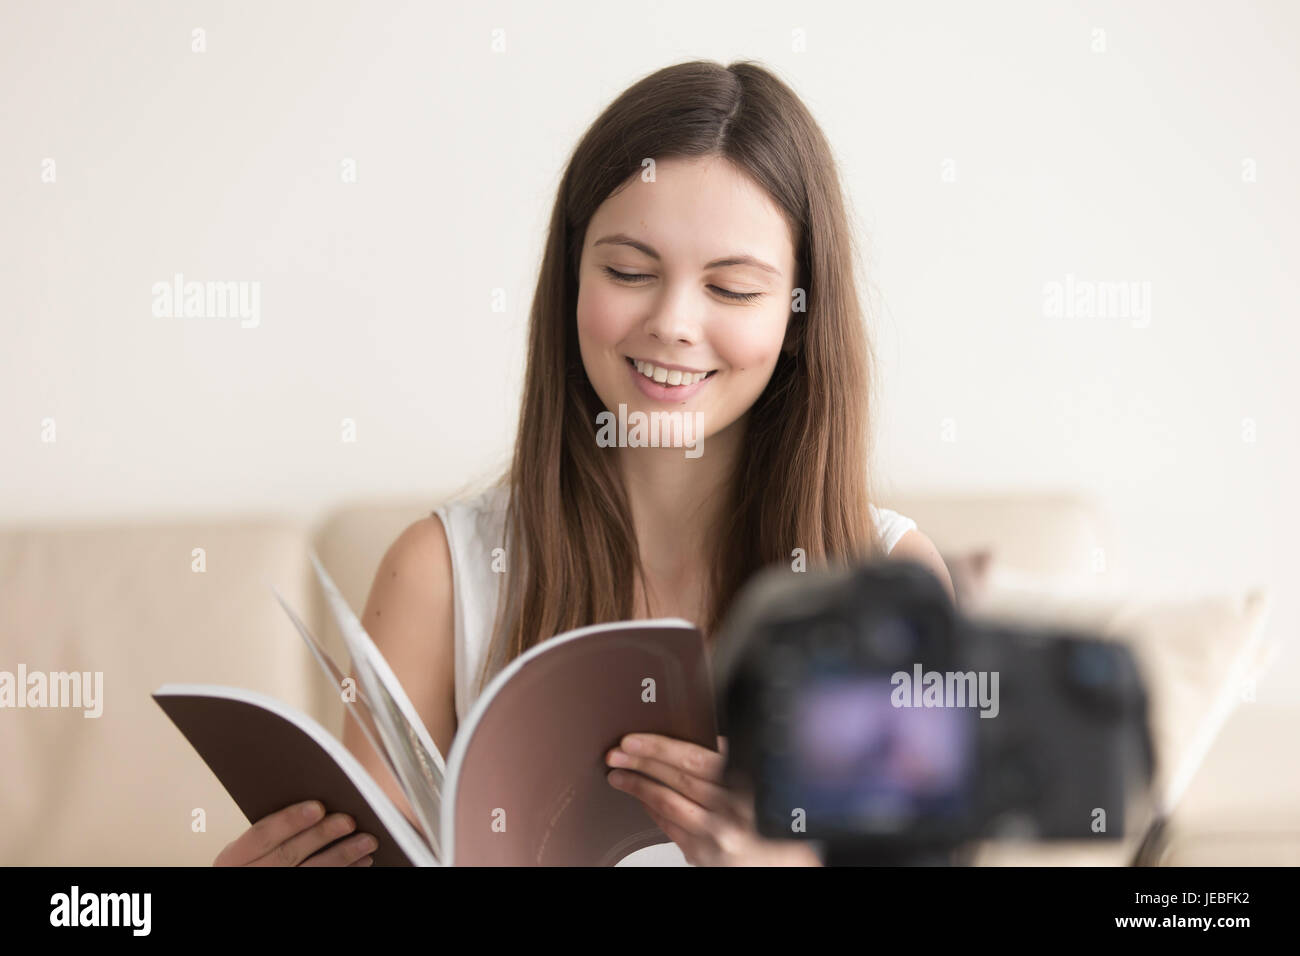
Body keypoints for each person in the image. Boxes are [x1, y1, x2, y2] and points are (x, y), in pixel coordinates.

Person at [214, 58, 954, 868]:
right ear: (570, 279)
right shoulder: (440, 576)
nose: (672, 323)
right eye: (629, 272)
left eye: (733, 289)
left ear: (799, 315)